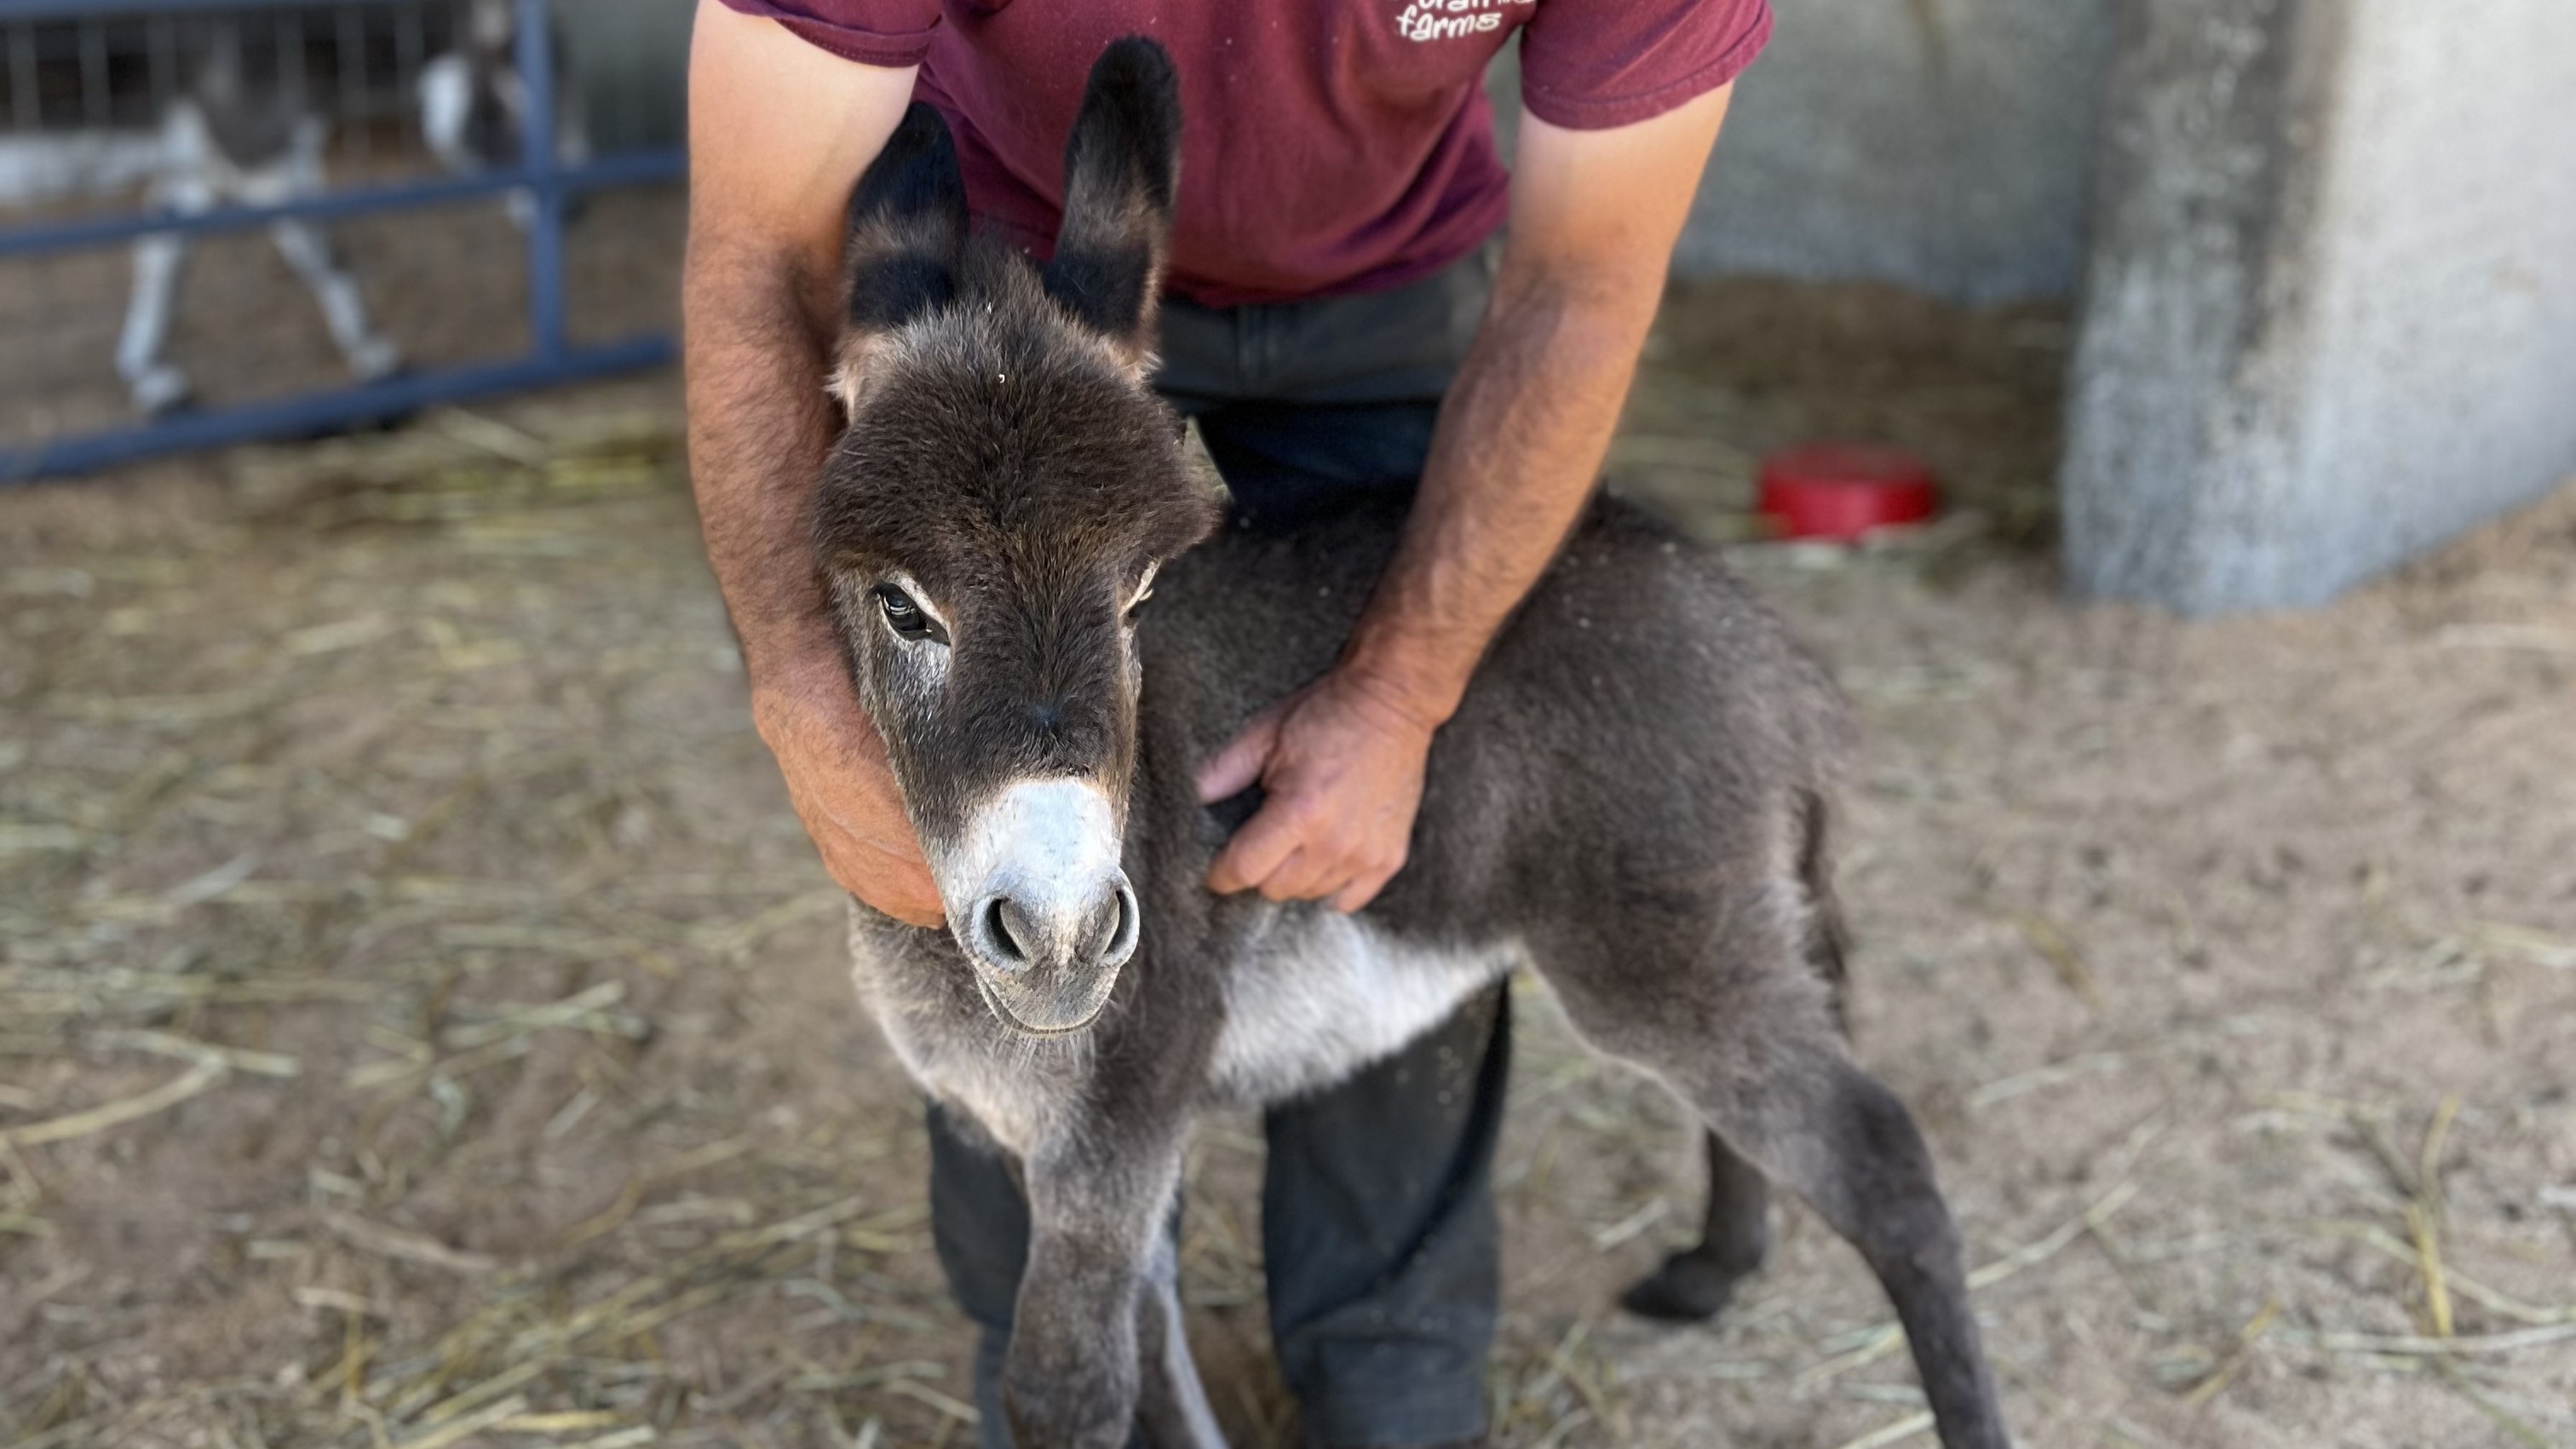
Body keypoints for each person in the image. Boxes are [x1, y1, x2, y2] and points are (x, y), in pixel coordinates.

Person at [682, 2, 1768, 1442]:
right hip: (1013, 316)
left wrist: (1404, 687)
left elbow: (1583, 286)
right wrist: (810, 700)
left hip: (1384, 296)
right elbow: (759, 243)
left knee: (1392, 833)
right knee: (993, 914)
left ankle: (1391, 1356)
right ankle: (1058, 1368)